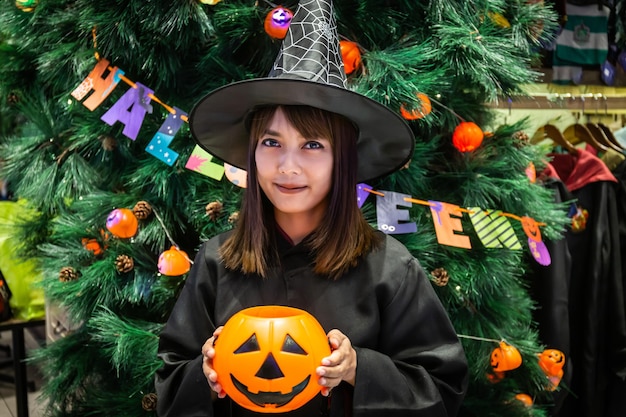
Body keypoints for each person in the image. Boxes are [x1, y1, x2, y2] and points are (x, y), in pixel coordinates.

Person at [155, 1, 468, 416]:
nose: (287, 166)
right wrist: (205, 377)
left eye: (313, 145)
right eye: (271, 143)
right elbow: (169, 383)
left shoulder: (390, 268)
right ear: (252, 153)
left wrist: (361, 370)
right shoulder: (216, 261)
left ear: (343, 160)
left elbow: (443, 389)